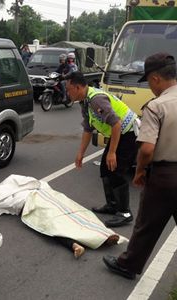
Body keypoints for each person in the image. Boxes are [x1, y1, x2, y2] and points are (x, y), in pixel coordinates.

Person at [102, 53, 177, 300]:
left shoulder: (156, 106)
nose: (150, 87)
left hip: (166, 178)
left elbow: (147, 149)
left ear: (156, 78)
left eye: (149, 82)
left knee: (146, 225)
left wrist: (140, 171)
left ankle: (128, 265)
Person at [66, 71, 139, 228]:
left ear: (77, 87)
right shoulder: (85, 102)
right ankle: (112, 205)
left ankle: (125, 213)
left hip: (129, 134)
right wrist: (80, 154)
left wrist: (112, 152)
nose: (67, 93)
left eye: (68, 89)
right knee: (106, 169)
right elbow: (88, 128)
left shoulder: (96, 100)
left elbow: (116, 124)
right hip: (120, 133)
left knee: (116, 170)